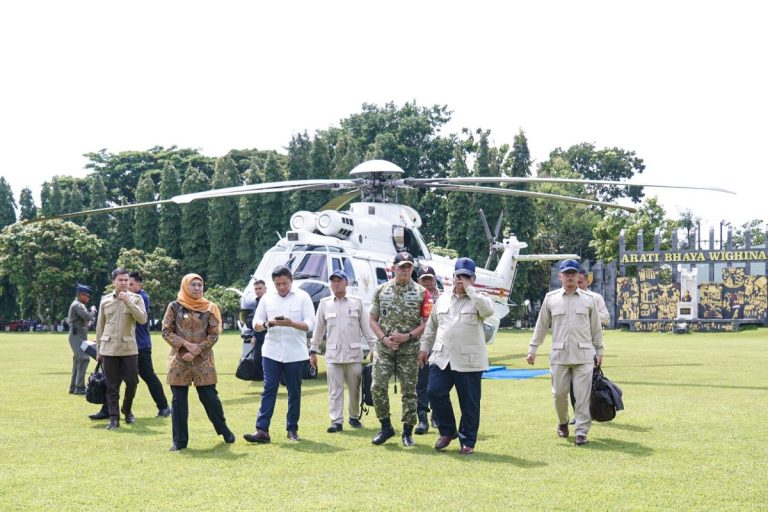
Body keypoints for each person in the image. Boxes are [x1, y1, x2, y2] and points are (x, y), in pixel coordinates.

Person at [419, 257, 494, 454]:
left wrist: (470, 289)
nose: (461, 279)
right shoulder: (443, 298)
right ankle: (447, 431)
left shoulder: (480, 297)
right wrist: (424, 348)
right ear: (452, 276)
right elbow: (432, 326)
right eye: (458, 275)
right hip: (442, 356)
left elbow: (488, 311)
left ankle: (467, 441)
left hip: (468, 360)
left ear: (473, 278)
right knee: (434, 392)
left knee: (469, 403)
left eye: (466, 276)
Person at [527, 259, 604, 446]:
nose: (570, 277)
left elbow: (596, 327)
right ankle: (563, 421)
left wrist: (599, 349)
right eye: (566, 273)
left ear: (579, 276)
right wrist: (533, 348)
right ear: (560, 276)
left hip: (584, 355)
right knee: (559, 394)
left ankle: (581, 431)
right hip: (559, 355)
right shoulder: (551, 298)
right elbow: (541, 326)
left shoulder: (589, 300)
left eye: (573, 273)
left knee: (582, 395)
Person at [161, 273, 235, 451]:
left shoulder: (209, 308)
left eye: (199, 285)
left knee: (210, 398)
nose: (197, 288)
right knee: (179, 401)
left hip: (203, 361)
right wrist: (186, 345)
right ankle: (179, 441)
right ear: (185, 286)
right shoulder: (174, 307)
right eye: (193, 285)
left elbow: (214, 334)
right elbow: (166, 331)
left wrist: (197, 350)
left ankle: (223, 430)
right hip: (180, 359)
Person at [244, 265, 315, 443]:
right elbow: (256, 323)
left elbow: (309, 325)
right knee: (269, 389)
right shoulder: (267, 298)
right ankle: (262, 430)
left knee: (294, 392)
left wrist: (291, 323)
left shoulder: (303, 297)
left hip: (295, 353)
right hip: (272, 352)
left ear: (291, 281)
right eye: (278, 284)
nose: (282, 287)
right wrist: (268, 324)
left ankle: (292, 429)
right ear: (273, 283)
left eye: (285, 283)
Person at [368, 251, 432, 447]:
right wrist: (384, 339)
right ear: (393, 267)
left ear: (412, 269)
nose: (405, 270)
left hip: (409, 349)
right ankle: (385, 426)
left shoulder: (422, 292)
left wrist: (408, 336)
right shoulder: (380, 290)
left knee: (409, 391)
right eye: (402, 266)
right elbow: (372, 319)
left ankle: (407, 431)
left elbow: (427, 322)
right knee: (377, 386)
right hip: (385, 348)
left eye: (409, 266)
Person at [310, 270, 377, 433]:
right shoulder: (325, 303)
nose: (336, 283)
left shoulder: (357, 302)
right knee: (334, 390)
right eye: (333, 281)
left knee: (355, 389)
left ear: (346, 283)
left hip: (353, 354)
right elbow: (319, 329)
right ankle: (336, 421)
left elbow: (366, 328)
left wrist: (374, 349)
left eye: (339, 280)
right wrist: (313, 350)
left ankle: (353, 417)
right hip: (333, 354)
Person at [95, 268, 148, 430]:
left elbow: (142, 319)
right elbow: (100, 326)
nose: (124, 283)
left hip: (129, 348)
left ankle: (127, 409)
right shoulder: (105, 300)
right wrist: (98, 349)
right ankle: (114, 417)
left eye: (126, 280)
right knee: (112, 385)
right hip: (109, 348)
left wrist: (128, 302)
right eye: (120, 280)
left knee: (132, 382)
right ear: (113, 282)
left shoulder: (137, 299)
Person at [128, 272, 171, 417]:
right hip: (128, 345)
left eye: (131, 284)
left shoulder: (141, 297)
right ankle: (108, 409)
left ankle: (164, 407)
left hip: (140, 345)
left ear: (140, 284)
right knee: (114, 377)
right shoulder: (128, 296)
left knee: (148, 375)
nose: (127, 286)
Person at [415, 264, 439, 434]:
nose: (427, 282)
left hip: (439, 348)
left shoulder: (445, 298)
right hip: (419, 347)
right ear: (418, 281)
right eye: (424, 279)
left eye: (430, 279)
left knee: (437, 385)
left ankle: (437, 416)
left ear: (434, 279)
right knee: (420, 384)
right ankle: (422, 418)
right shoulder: (413, 298)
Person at [67, 283, 96, 395]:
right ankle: (79, 387)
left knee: (78, 360)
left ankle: (74, 386)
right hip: (76, 336)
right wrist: (93, 310)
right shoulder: (78, 305)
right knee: (84, 359)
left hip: (79, 336)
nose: (88, 298)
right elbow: (88, 317)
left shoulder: (78, 304)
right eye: (87, 296)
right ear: (81, 295)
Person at [240, 279, 267, 359]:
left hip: (269, 339)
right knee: (257, 363)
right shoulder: (255, 303)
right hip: (258, 339)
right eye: (256, 289)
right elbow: (251, 321)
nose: (258, 290)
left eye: (260, 288)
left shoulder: (271, 301)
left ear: (265, 288)